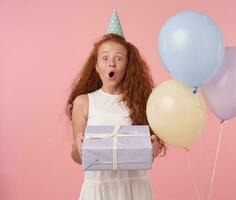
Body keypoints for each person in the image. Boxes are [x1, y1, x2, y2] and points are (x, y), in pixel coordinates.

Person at [65, 10, 166, 200]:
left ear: (128, 65)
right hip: (99, 190)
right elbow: (79, 158)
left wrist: (155, 146)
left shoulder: (143, 100)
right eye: (105, 58)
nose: (112, 63)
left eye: (119, 58)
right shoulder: (84, 102)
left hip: (136, 189)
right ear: (96, 66)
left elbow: (150, 149)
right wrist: (77, 148)